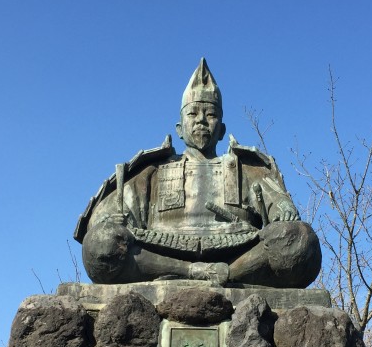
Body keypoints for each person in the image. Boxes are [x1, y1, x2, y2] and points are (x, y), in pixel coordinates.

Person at [74, 59, 321, 288]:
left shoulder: (248, 169)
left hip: (238, 254)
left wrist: (282, 211)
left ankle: (228, 274)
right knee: (99, 244)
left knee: (300, 238)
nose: (201, 121)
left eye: (211, 114)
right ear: (180, 129)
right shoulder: (152, 171)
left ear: (222, 129)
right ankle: (190, 271)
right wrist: (110, 221)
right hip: (161, 252)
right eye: (193, 113)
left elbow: (283, 213)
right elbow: (102, 222)